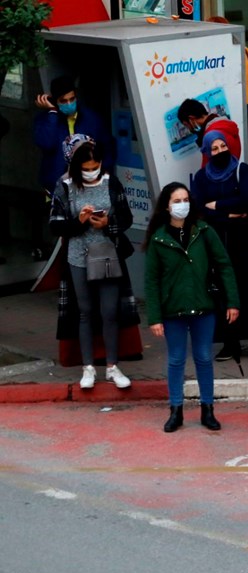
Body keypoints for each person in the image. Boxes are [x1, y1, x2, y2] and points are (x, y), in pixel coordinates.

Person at [144, 183, 240, 433]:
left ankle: (207, 409)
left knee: (204, 357)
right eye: (176, 201)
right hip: (172, 310)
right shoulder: (159, 239)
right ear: (166, 206)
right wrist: (154, 317)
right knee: (176, 360)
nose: (182, 205)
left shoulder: (204, 231)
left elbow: (224, 265)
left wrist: (232, 301)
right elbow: (151, 280)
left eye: (185, 199)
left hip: (203, 306)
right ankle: (176, 410)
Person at [49, 140, 134, 390]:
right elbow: (55, 224)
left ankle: (112, 366)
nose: (92, 171)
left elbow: (127, 217)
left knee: (109, 311)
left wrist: (108, 223)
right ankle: (88, 368)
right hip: (79, 254)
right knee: (85, 311)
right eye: (87, 168)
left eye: (95, 166)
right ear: (77, 167)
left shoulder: (111, 182)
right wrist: (80, 221)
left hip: (107, 252)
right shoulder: (64, 186)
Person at [191, 131, 248, 362]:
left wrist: (217, 205)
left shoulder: (242, 170)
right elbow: (199, 209)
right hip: (218, 241)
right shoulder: (201, 178)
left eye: (222, 146)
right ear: (207, 153)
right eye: (214, 149)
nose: (220, 152)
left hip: (247, 241)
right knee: (223, 289)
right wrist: (229, 214)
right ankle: (230, 343)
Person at [33, 76, 114, 258]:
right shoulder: (45, 120)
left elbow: (106, 146)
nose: (69, 104)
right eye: (64, 101)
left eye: (72, 99)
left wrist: (103, 173)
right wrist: (52, 114)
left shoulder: (91, 118)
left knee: (87, 230)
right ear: (55, 101)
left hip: (88, 185)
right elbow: (46, 143)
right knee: (61, 237)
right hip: (57, 187)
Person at [206, 15, 248, 179]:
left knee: (232, 149)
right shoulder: (245, 50)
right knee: (247, 150)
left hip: (232, 107)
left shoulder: (215, 55)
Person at [177, 98, 243, 168]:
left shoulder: (210, 135)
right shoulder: (224, 123)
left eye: (186, 125)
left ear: (191, 119)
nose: (189, 129)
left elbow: (208, 168)